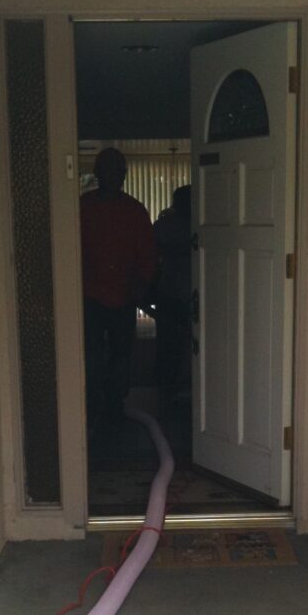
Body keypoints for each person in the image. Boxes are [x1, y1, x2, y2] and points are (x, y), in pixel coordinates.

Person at [80, 147, 157, 429]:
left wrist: (142, 283)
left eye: (118, 171)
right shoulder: (82, 208)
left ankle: (115, 403)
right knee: (90, 352)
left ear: (124, 176)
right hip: (88, 296)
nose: (113, 176)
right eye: (107, 170)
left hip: (124, 297)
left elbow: (148, 255)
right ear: (98, 173)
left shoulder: (135, 211)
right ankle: (89, 402)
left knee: (121, 353)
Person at [154, 185, 192, 403]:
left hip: (194, 295)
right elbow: (149, 251)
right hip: (171, 294)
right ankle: (166, 393)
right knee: (169, 346)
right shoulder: (165, 225)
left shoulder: (204, 224)